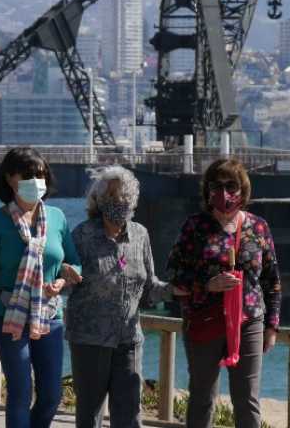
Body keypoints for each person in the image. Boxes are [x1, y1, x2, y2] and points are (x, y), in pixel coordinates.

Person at [166, 159, 282, 428]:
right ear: (207, 191)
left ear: (243, 190)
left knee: (247, 398)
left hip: (248, 320)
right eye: (216, 186)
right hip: (205, 318)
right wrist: (207, 283)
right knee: (202, 396)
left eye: (231, 186)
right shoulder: (195, 226)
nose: (224, 193)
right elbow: (173, 272)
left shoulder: (258, 227)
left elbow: (272, 280)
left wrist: (272, 326)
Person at [0, 147, 81, 428]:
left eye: (42, 174)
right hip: (10, 315)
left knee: (51, 395)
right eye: (30, 175)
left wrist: (64, 278)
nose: (37, 181)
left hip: (50, 316)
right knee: (20, 392)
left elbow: (73, 262)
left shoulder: (57, 218)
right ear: (10, 178)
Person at [66, 165, 177, 428]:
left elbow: (150, 288)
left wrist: (176, 289)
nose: (121, 202)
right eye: (115, 197)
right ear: (100, 200)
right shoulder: (82, 236)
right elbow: (64, 280)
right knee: (89, 416)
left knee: (129, 416)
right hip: (89, 340)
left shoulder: (140, 235)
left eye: (127, 196)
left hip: (128, 340)